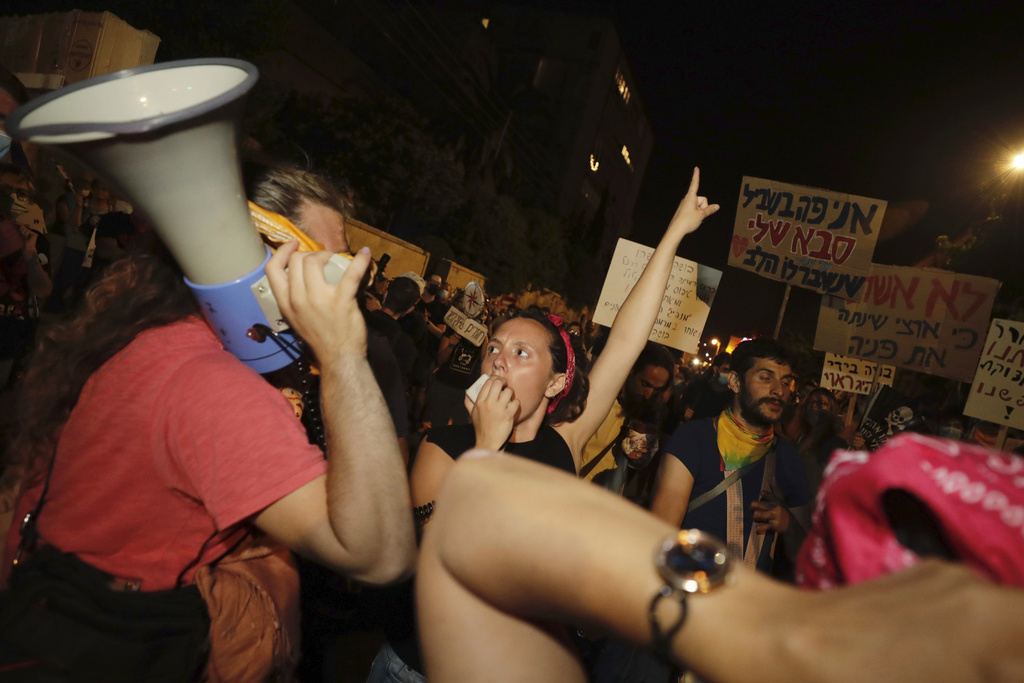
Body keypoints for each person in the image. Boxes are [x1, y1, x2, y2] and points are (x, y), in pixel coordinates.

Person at [0, 241, 416, 677]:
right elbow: (383, 553)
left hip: (53, 603)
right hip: (110, 640)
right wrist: (342, 354)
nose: (337, 274)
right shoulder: (219, 387)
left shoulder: (158, 331)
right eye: (318, 254)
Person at [367, 168, 718, 682]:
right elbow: (440, 562)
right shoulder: (443, 447)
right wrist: (485, 448)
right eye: (494, 348)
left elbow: (625, 341)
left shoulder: (565, 442)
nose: (498, 359)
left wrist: (672, 236)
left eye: (521, 351)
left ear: (555, 384)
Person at [416, 452, 1024, 683]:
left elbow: (478, 496)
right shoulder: (696, 437)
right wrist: (781, 633)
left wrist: (775, 628)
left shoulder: (788, 462)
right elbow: (478, 496)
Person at [651, 337, 811, 576]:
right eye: (766, 378)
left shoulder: (787, 458)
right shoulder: (694, 439)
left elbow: (805, 557)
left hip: (749, 606)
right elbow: (660, 534)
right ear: (735, 382)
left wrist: (788, 525)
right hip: (692, 593)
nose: (779, 390)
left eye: (786, 382)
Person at [580, 341, 676, 508]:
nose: (649, 394)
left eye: (657, 389)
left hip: (605, 506)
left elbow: (637, 460)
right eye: (645, 384)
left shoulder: (645, 412)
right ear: (630, 372)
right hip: (575, 491)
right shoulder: (595, 399)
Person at [680, 350, 732, 421]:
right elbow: (681, 404)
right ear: (715, 369)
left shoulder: (730, 396)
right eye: (725, 370)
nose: (728, 374)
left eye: (730, 371)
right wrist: (685, 411)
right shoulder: (699, 386)